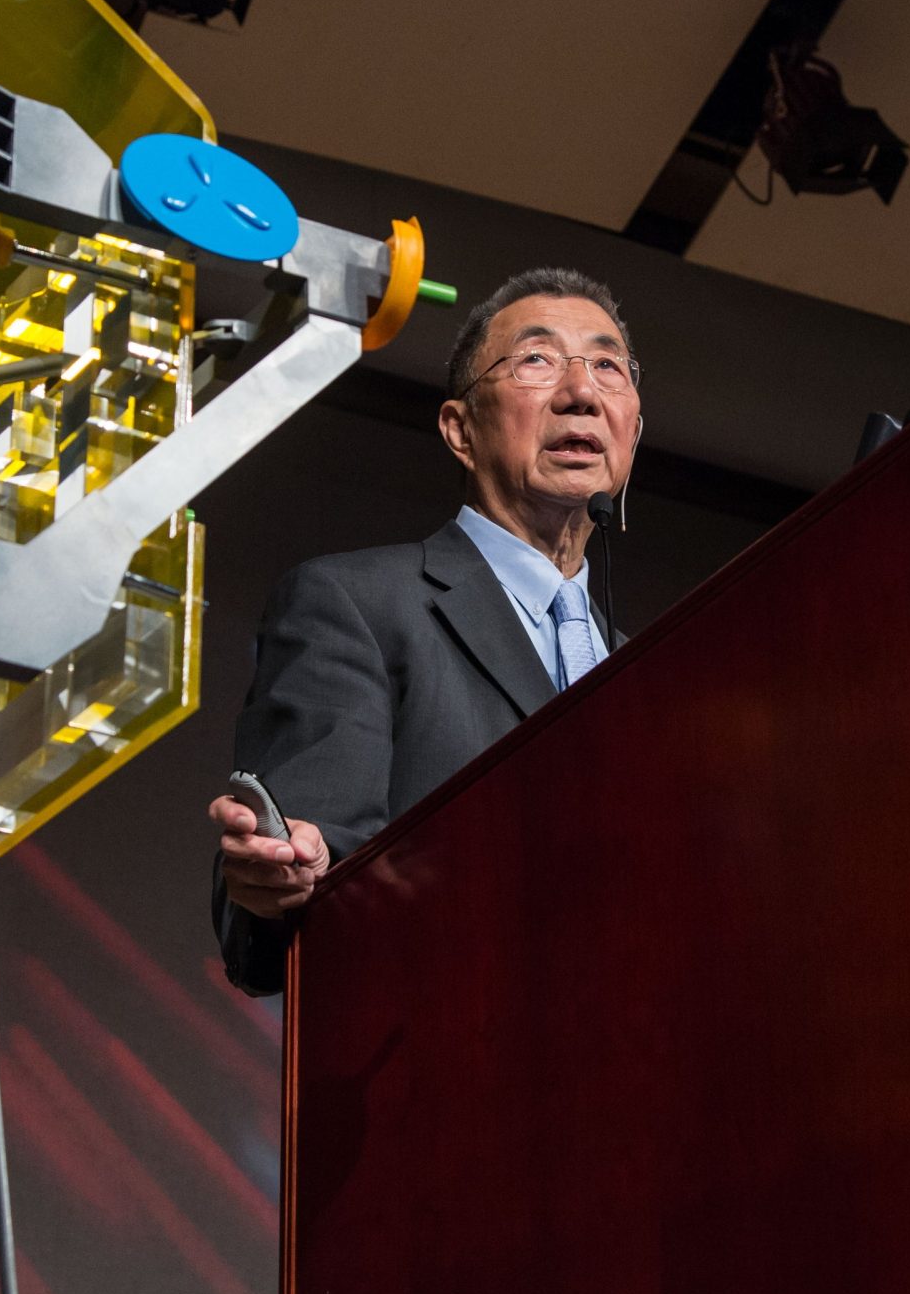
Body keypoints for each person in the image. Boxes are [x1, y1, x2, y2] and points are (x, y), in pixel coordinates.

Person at [209, 267, 642, 993]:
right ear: (459, 430)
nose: (582, 393)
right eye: (537, 359)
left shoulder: (649, 671)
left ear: (633, 427)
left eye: (608, 367)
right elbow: (302, 861)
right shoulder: (356, 604)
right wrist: (288, 877)